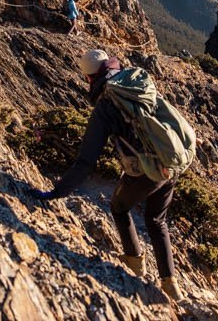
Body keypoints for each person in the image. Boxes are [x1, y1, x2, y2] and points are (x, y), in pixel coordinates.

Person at [29, 49, 184, 301]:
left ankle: (134, 262)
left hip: (148, 170)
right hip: (171, 162)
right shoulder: (134, 82)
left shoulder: (106, 105)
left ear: (90, 78)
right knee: (157, 220)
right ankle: (170, 283)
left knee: (119, 207)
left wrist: (55, 193)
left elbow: (86, 162)